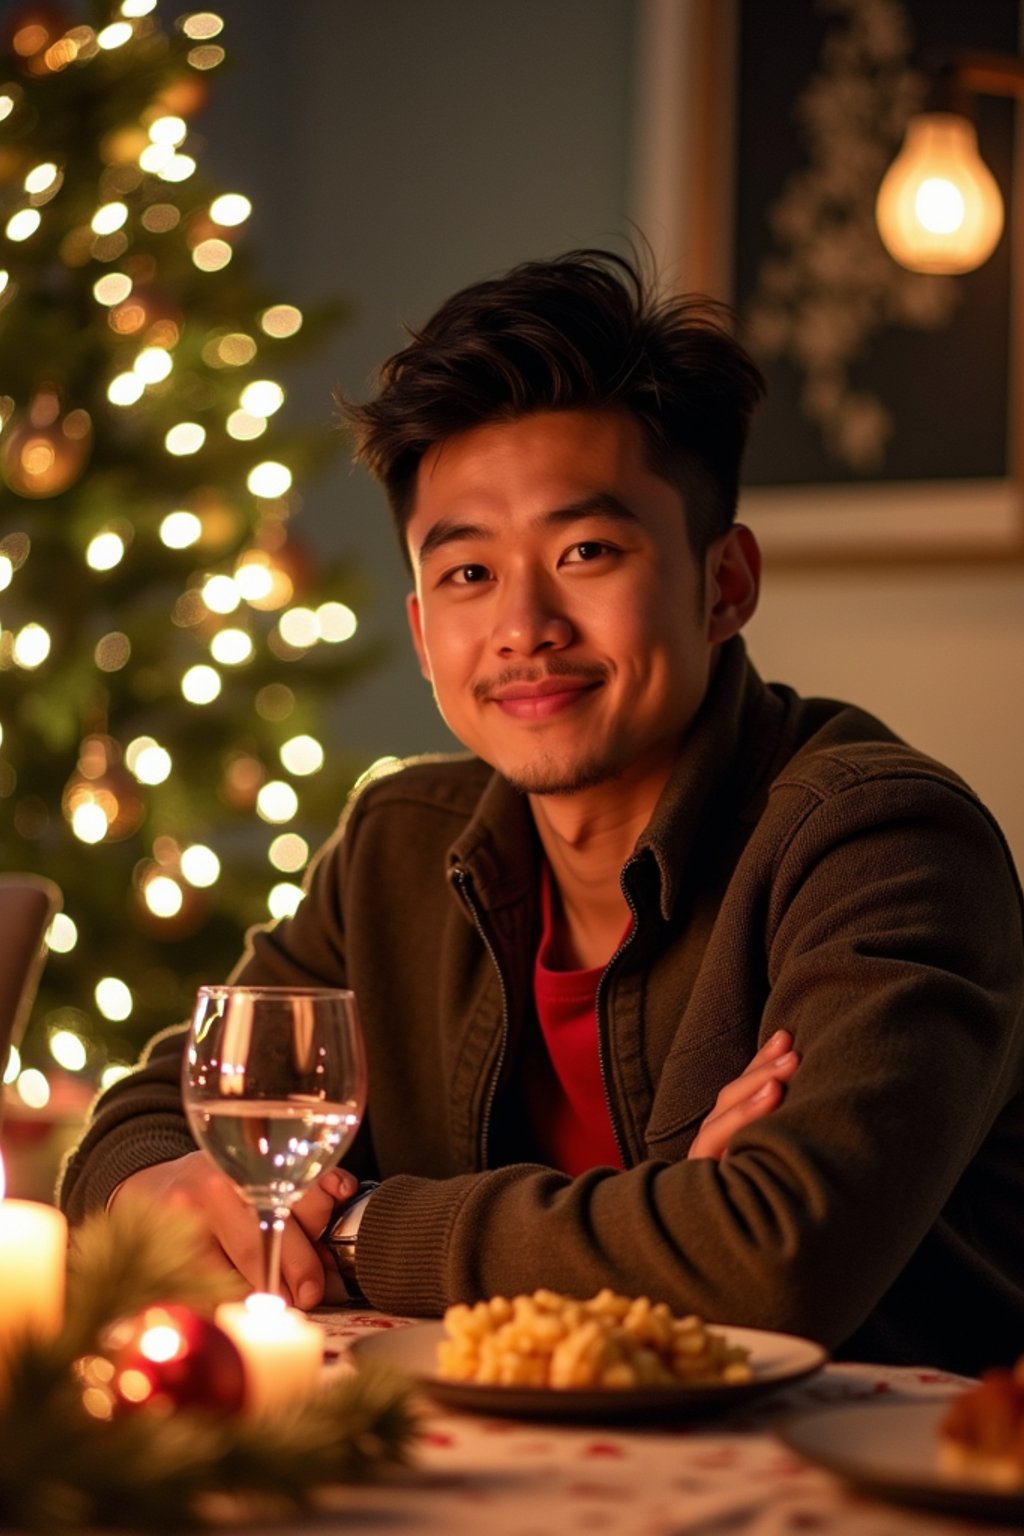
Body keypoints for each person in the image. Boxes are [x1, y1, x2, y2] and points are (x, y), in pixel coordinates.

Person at [59, 250, 1024, 1375]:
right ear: (424, 636)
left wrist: (352, 1225)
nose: (524, 626)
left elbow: (770, 1267)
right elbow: (148, 1118)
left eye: (586, 552)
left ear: (725, 583)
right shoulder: (399, 843)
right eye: (467, 574)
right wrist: (654, 1219)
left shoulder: (880, 842)